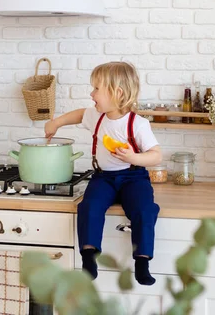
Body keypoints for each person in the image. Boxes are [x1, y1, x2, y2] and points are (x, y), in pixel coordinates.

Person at [45, 61, 162, 285]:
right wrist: (56, 123)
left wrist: (134, 158)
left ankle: (142, 261)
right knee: (88, 207)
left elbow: (156, 155)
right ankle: (89, 259)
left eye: (96, 88)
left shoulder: (137, 124)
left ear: (117, 93)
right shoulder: (96, 116)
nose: (92, 93)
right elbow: (79, 115)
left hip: (133, 177)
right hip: (103, 178)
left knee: (145, 210)